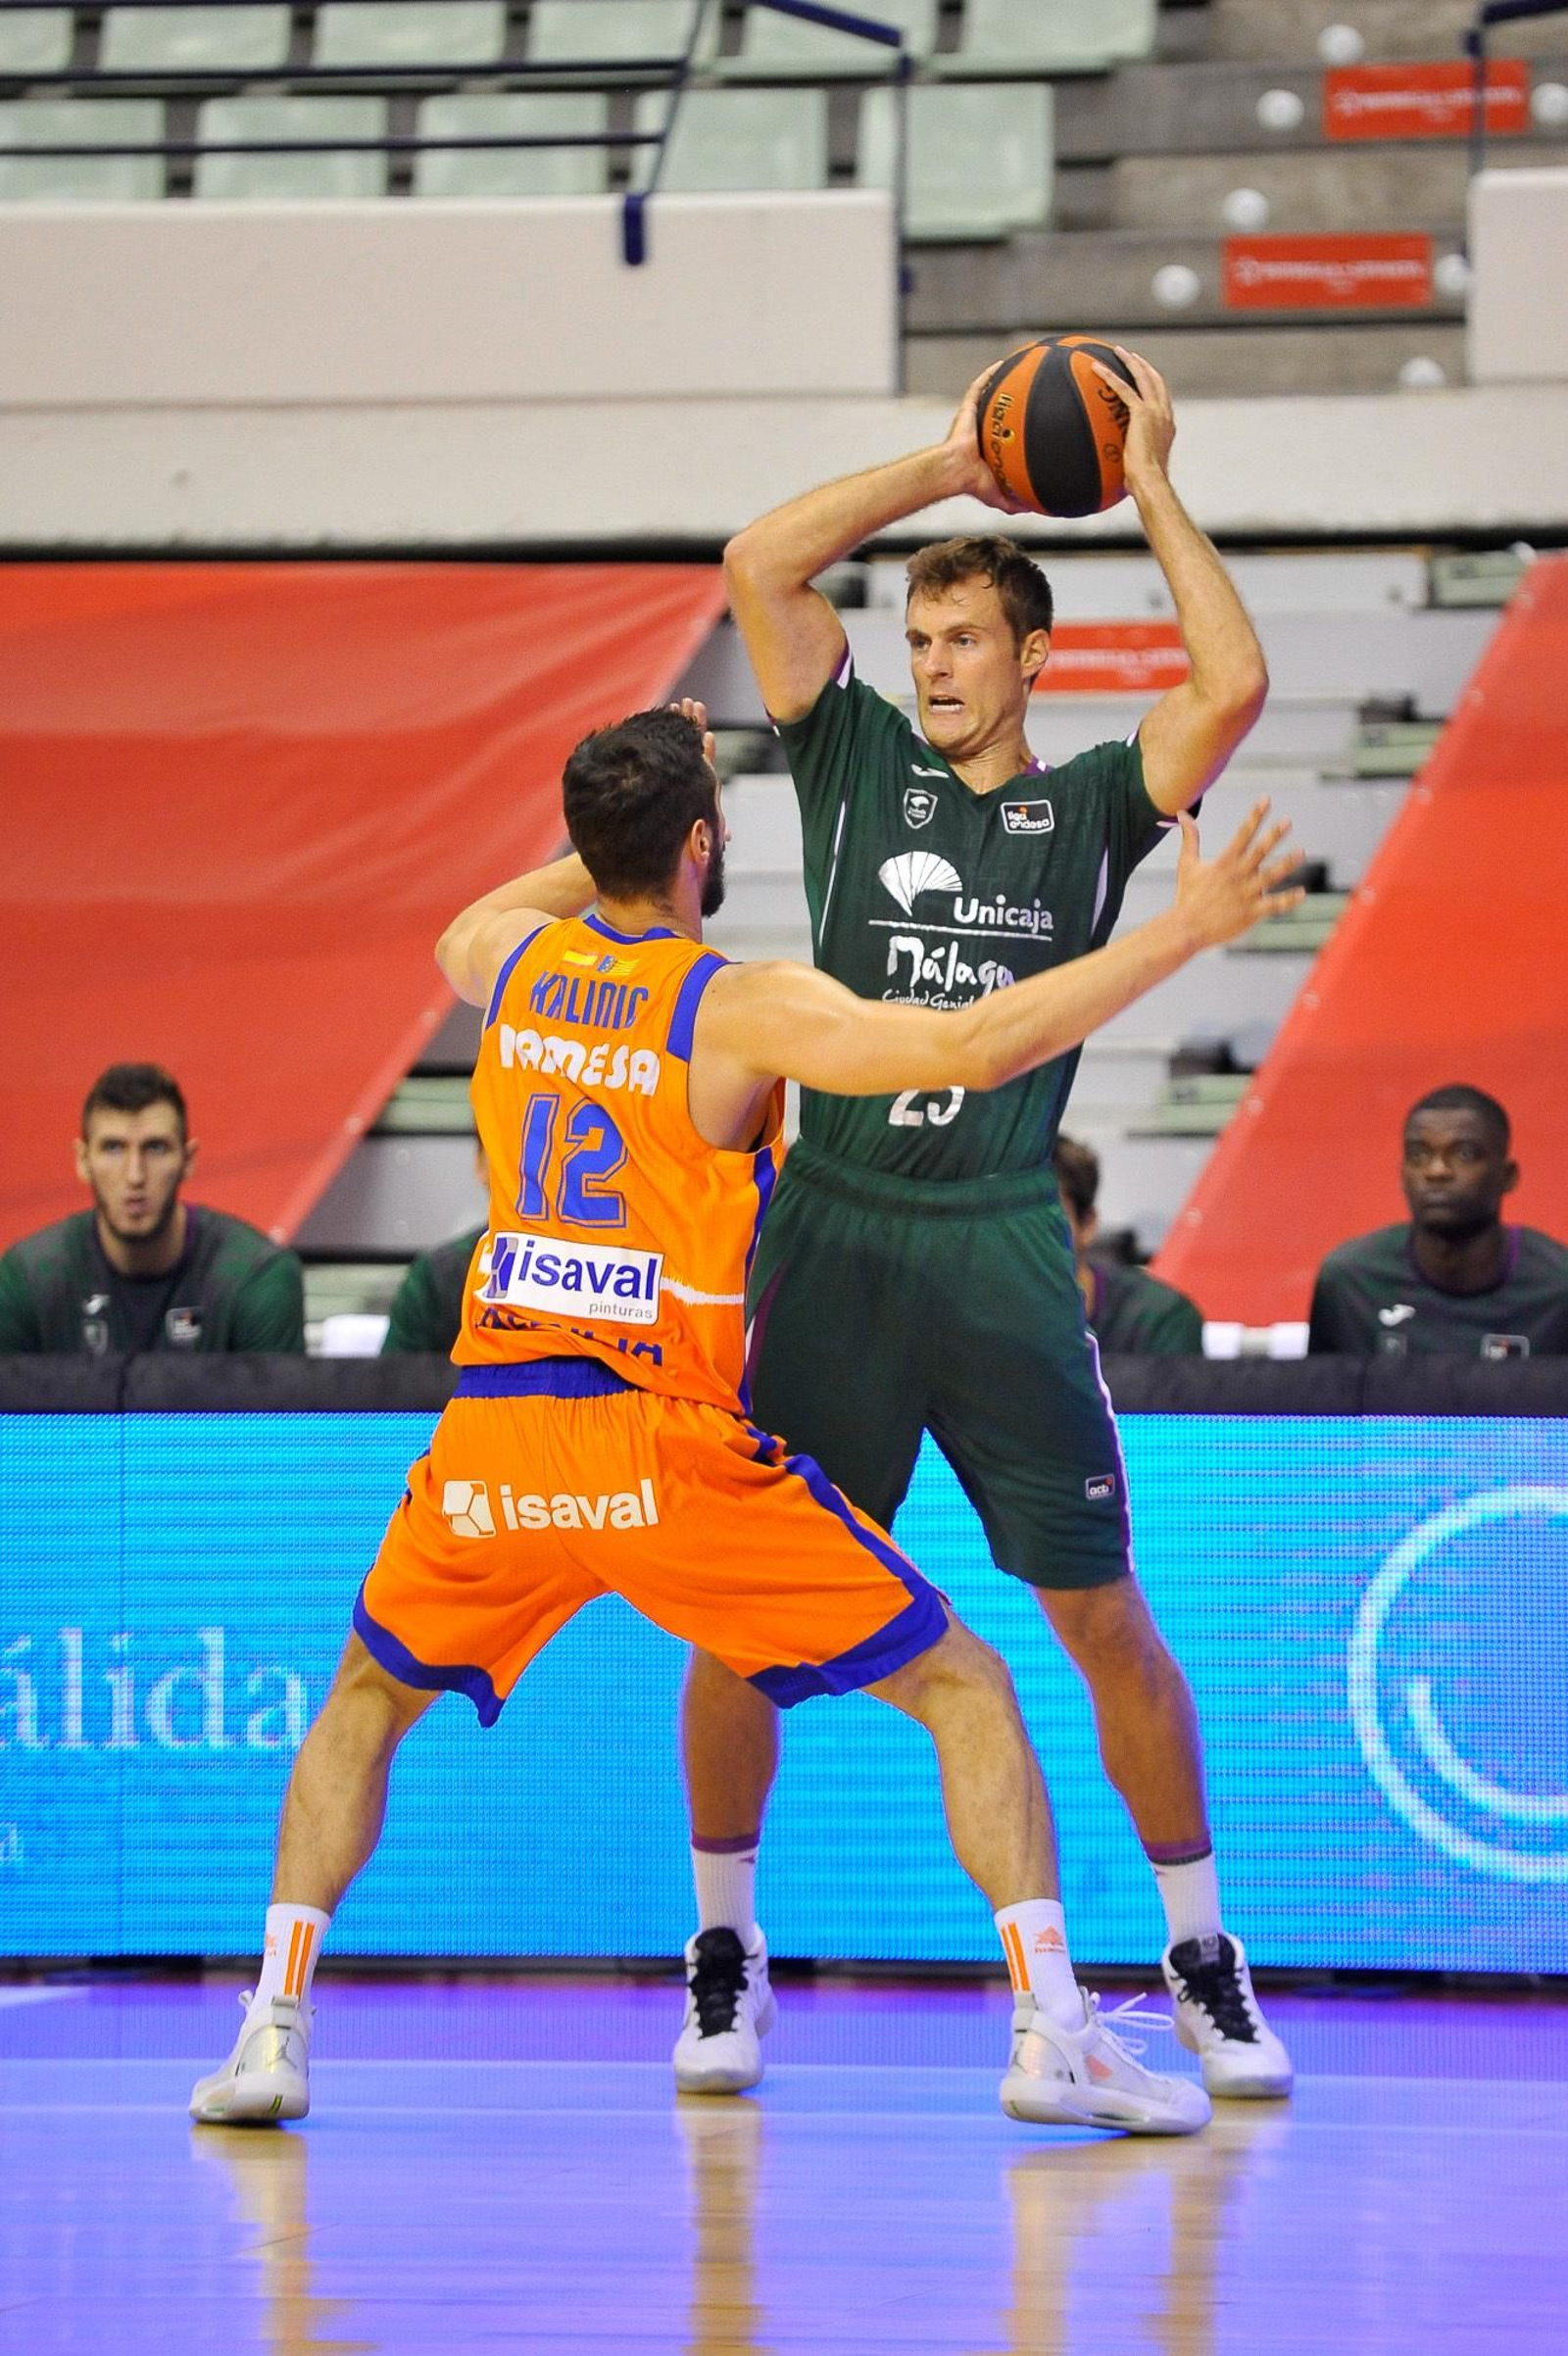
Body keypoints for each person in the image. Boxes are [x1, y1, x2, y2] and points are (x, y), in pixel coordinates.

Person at [189, 704, 1298, 2136]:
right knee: (969, 1688)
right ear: (705, 847)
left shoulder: (504, 960)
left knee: (363, 1699)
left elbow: (487, 911)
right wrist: (1178, 934)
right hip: (659, 1438)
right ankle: (1052, 2031)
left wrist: (623, 809)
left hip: (495, 1438)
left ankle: (270, 2029)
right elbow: (969, 1047)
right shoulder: (731, 1006)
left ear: (591, 849)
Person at [682, 348, 1295, 2105]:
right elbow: (757, 564)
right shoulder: (854, 752)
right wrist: (954, 462)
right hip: (837, 1237)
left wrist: (1151, 477)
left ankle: (1199, 1951)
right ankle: (727, 1944)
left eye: (968, 640)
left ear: (1037, 657)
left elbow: (1235, 684)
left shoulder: (1098, 801)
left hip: (1005, 1245)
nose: (937, 664)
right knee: (747, 1615)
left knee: (1102, 1615)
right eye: (924, 637)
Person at [0, 1061, 304, 1354]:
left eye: (156, 1148)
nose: (135, 1175)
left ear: (188, 1160)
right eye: (113, 1148)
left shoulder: (257, 1279)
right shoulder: (25, 1283)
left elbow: (273, 1407)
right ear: (83, 1160)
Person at [1308, 1085, 1568, 1356]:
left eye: (1464, 1154)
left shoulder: (1558, 1289)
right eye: (1419, 1155)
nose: (1437, 1171)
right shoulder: (1350, 1284)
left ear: (1508, 1176)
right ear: (1402, 1175)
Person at [1053, 1136, 1203, 1354]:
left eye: (1048, 1221)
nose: (1024, 1239)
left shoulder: (1159, 1319)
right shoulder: (989, 1320)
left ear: (1087, 1224)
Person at [381, 1141, 486, 1355]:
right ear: (480, 1163)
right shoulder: (436, 1275)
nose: (523, 1167)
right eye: (507, 1149)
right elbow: (394, 1381)